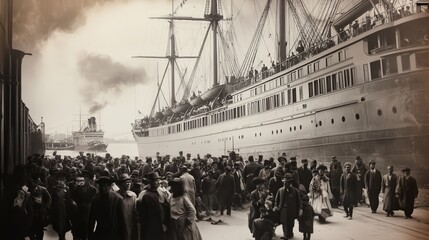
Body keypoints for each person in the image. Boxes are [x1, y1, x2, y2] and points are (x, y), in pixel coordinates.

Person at [88, 174, 128, 240]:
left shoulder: (118, 199)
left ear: (110, 186)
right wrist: (90, 236)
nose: (103, 188)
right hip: (100, 234)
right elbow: (91, 220)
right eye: (101, 186)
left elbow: (123, 221)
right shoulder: (95, 200)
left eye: (106, 185)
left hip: (114, 234)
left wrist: (125, 237)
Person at [274, 173, 302, 240]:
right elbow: (276, 200)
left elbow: (299, 201)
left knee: (291, 223)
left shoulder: (295, 191)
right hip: (283, 209)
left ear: (290, 183)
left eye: (287, 182)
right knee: (285, 223)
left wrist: (300, 209)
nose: (285, 184)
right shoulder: (280, 190)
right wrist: (276, 207)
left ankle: (290, 233)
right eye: (284, 182)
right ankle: (285, 235)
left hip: (292, 209)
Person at [71, 171, 97, 240]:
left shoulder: (93, 190)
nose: (85, 180)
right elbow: (72, 197)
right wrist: (74, 203)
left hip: (89, 212)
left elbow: (95, 201)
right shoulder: (78, 188)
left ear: (90, 180)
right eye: (84, 178)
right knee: (78, 230)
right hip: (79, 211)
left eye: (87, 179)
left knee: (88, 229)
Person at [51, 171, 73, 240]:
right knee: (57, 225)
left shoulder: (67, 189)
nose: (61, 182)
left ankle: (62, 237)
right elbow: (53, 201)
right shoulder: (54, 189)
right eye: (59, 180)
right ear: (57, 180)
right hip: (57, 210)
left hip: (65, 210)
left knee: (64, 226)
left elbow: (69, 201)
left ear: (65, 180)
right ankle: (60, 237)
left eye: (62, 180)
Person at [117, 173, 138, 240]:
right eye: (126, 182)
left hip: (129, 224)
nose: (129, 184)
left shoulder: (133, 196)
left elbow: (135, 211)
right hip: (118, 225)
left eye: (129, 182)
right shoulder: (115, 196)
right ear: (120, 184)